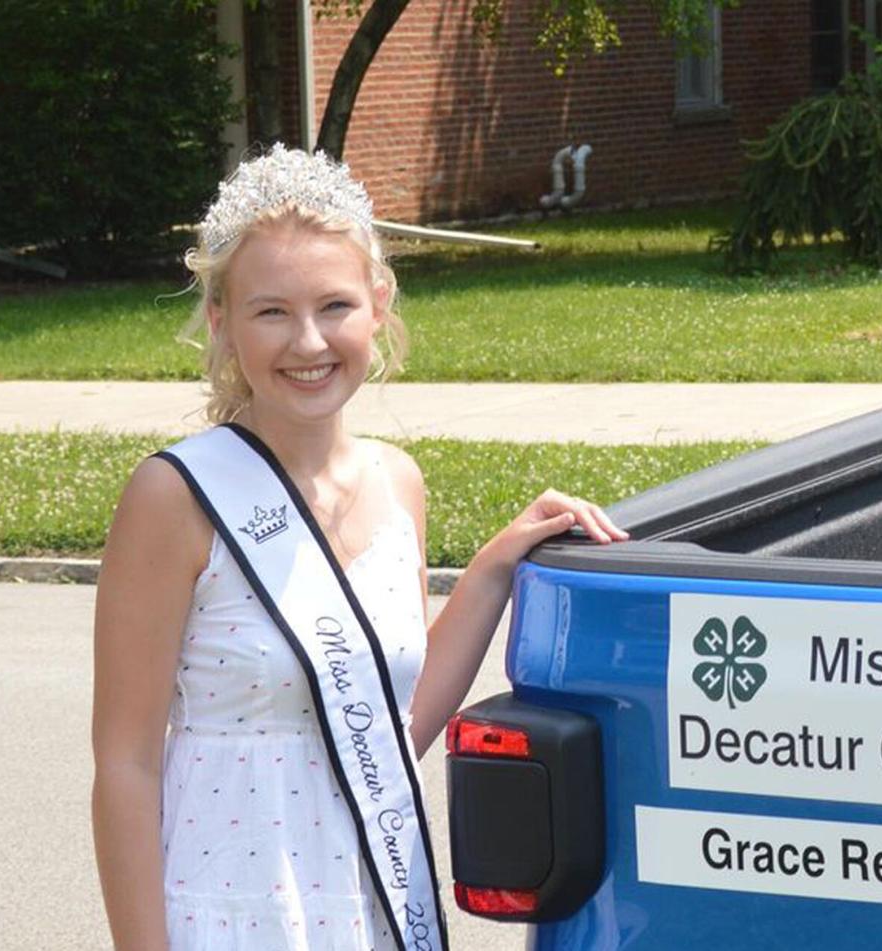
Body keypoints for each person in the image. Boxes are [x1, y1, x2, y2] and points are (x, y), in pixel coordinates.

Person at [90, 144, 629, 951]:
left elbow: (384, 727)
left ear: (378, 305)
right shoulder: (175, 497)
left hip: (362, 902)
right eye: (271, 312)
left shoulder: (398, 483)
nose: (308, 342)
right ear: (222, 321)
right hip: (230, 909)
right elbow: (124, 764)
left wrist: (494, 567)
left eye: (334, 305)